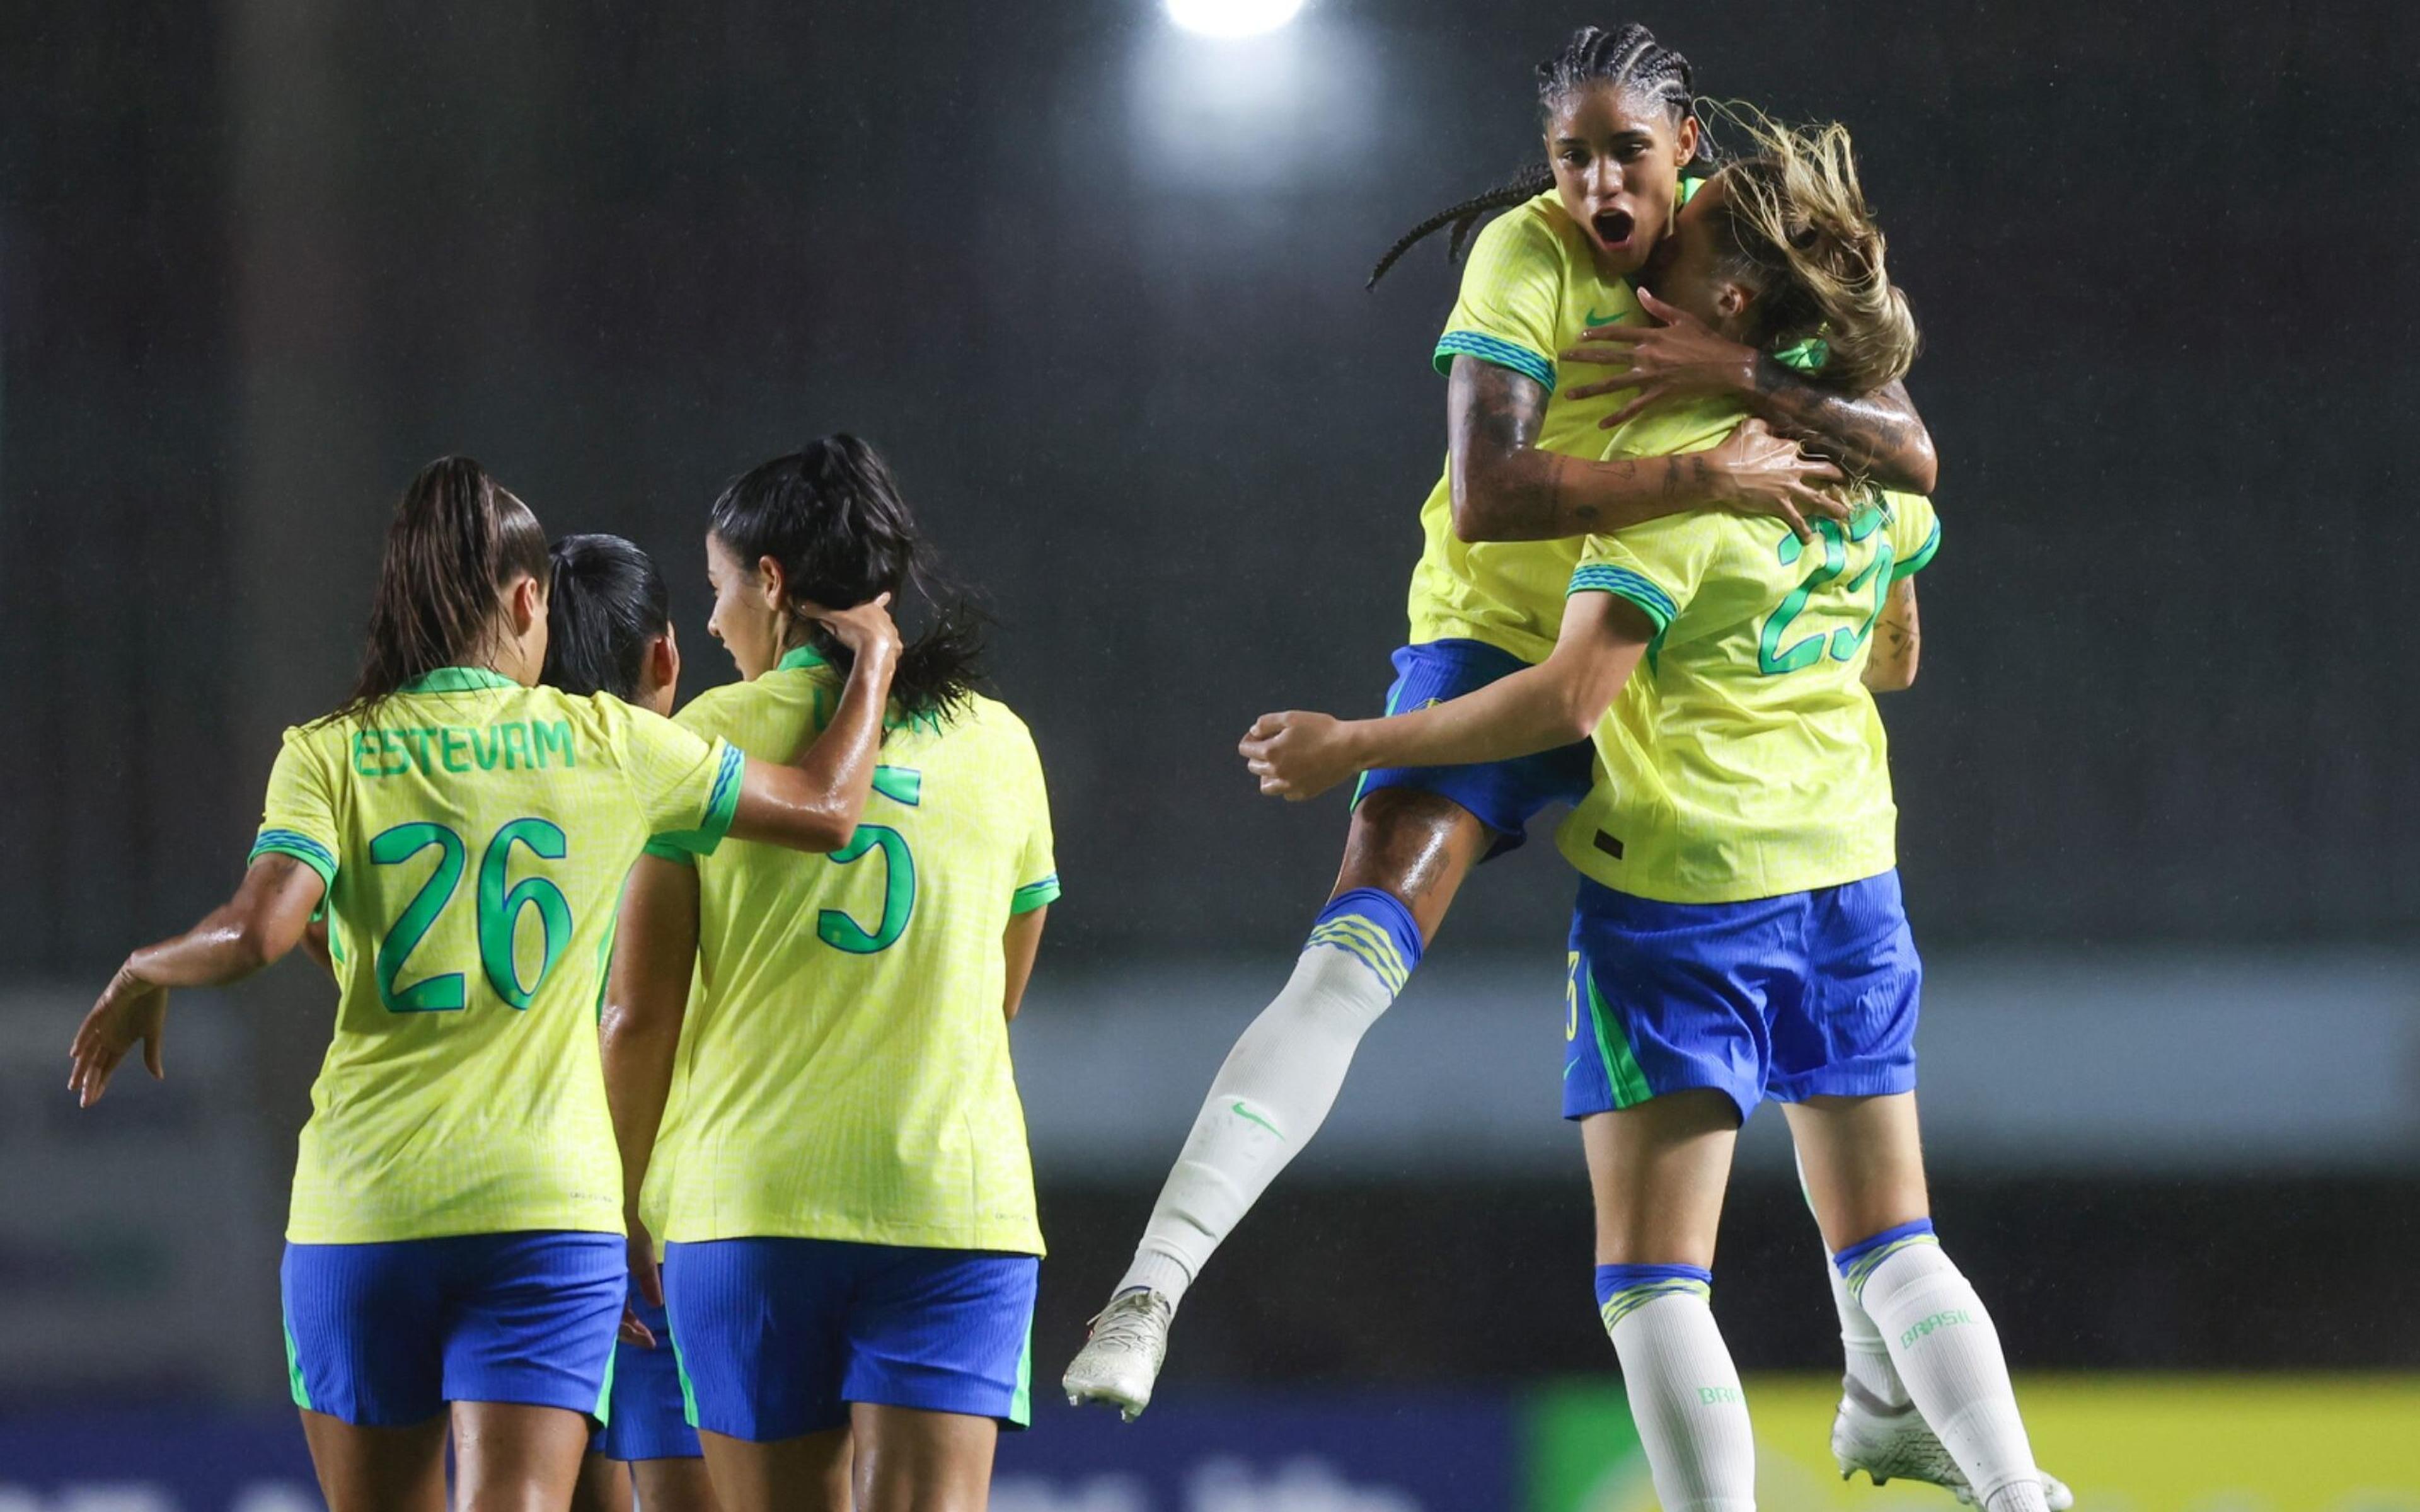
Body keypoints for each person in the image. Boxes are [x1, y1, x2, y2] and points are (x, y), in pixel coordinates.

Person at [1063, 18, 1939, 1423]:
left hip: (1662, 675)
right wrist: (1706, 475)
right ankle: (1151, 1290)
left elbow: (1912, 450)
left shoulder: (1744, 254)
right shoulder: (1523, 261)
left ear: (1686, 153)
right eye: (1571, 156)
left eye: (1627, 156)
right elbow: (1490, 495)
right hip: (1503, 636)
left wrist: (1746, 382)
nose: (1598, 187)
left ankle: (1886, 1379)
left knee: (1814, 1014)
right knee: (1355, 953)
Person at [1236, 113, 2060, 1512]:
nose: (1634, 270)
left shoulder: (1674, 496)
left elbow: (1561, 706)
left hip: (1687, 893)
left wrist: (1352, 744)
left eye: (1665, 251)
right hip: (1853, 880)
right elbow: (1899, 657)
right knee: (1890, 1241)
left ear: (1724, 301)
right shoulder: (1864, 473)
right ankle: (2015, 1487)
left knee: (1655, 1275)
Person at [67, 458, 902, 1512]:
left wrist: (150, 964)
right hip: (543, 1214)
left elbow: (258, 931)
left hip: (364, 1212)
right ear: (523, 601)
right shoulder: (609, 745)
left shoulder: (330, 753)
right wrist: (872, 662)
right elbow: (830, 809)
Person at [602, 437, 1059, 1512]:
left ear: (772, 585)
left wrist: (615, 1199)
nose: (712, 623)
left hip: (752, 1206)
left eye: (719, 589)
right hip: (952, 1206)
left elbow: (639, 1012)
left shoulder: (704, 743)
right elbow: (994, 1000)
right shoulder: (1000, 745)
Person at [541, 534, 720, 1512]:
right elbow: (639, 1016)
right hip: (667, 1224)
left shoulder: (492, 794)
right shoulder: (700, 778)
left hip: (525, 1220)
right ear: (667, 657)